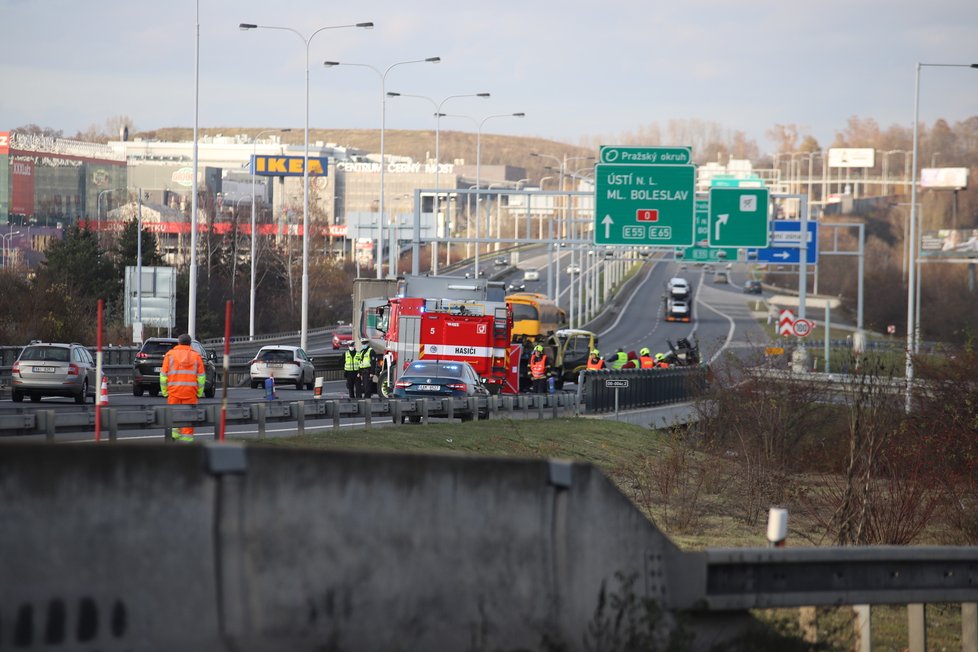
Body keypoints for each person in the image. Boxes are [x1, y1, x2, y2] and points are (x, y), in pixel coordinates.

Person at [159, 333, 205, 442]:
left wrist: (165, 392)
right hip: (190, 393)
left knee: (174, 416)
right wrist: (199, 392)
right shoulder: (196, 356)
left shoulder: (170, 355)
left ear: (178, 343)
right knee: (188, 418)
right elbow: (201, 377)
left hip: (174, 392)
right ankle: (186, 441)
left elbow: (163, 376)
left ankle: (174, 436)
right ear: (190, 344)